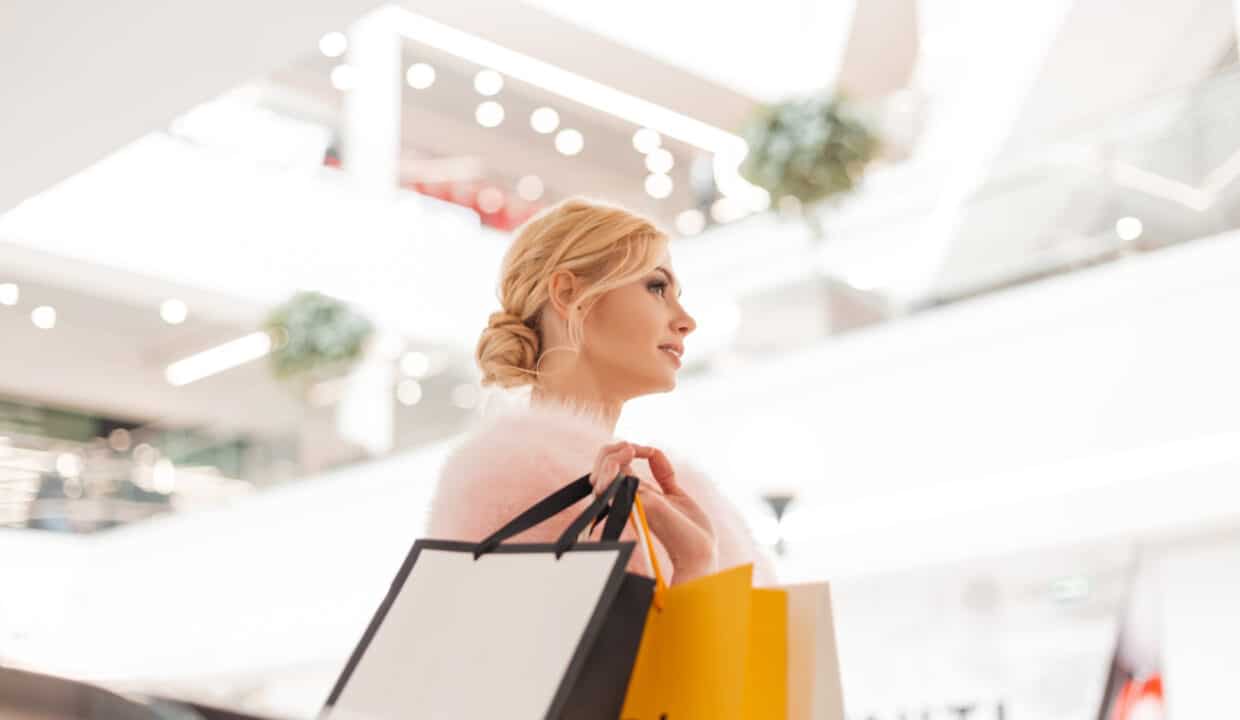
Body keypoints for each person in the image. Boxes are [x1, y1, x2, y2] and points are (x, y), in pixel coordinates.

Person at [426, 197, 774, 586]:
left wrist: (696, 559)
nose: (686, 321)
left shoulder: (665, 492)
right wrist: (692, 566)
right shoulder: (504, 480)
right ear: (569, 294)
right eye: (657, 287)